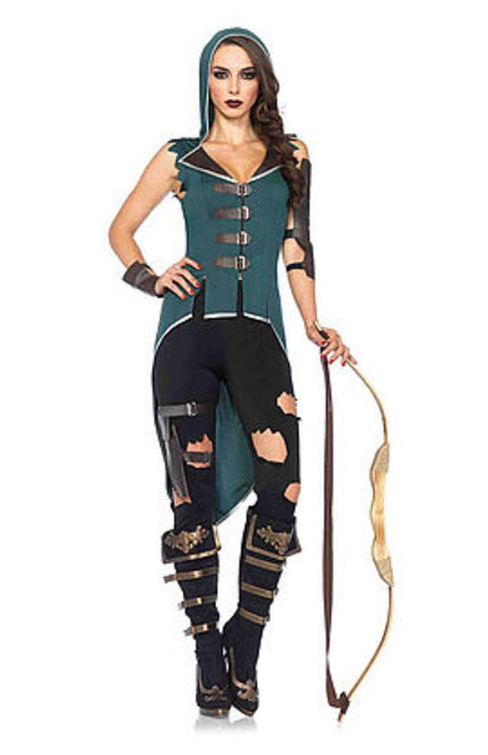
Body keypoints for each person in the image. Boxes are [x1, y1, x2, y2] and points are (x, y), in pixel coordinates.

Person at [108, 27, 354, 717]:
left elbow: (297, 247)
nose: (234, 87)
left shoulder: (290, 155)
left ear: (262, 81)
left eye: (246, 74)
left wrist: (314, 323)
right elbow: (120, 229)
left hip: (260, 338)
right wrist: (152, 277)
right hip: (185, 336)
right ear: (206, 80)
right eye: (221, 73)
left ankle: (245, 636)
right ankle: (207, 654)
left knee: (283, 487)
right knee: (188, 499)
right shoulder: (179, 156)